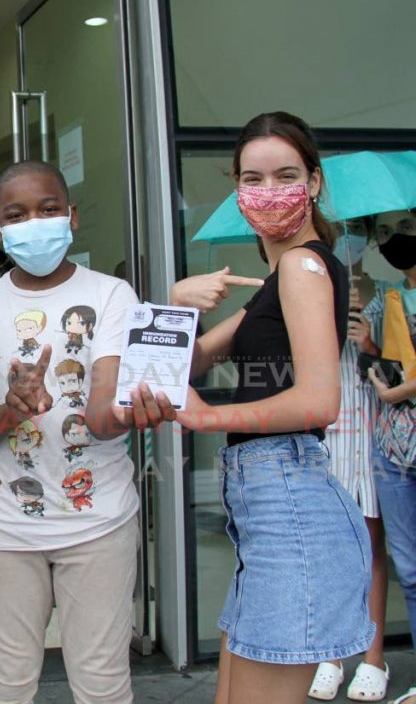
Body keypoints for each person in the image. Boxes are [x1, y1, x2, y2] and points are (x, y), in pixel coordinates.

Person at [0, 159, 169, 703]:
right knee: (6, 683)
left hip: (99, 524)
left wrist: (137, 410)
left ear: (71, 216)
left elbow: (101, 419)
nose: (34, 222)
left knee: (101, 683)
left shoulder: (113, 296)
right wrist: (10, 412)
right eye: (16, 214)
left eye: (48, 209)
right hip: (0, 530)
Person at [168, 112, 372, 704]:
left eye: (285, 174)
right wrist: (179, 307)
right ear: (237, 188)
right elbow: (188, 363)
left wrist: (206, 417)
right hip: (268, 512)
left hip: (292, 510)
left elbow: (318, 399)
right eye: (252, 179)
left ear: (312, 183)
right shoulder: (275, 280)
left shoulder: (303, 266)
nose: (267, 191)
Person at [308, 216, 390, 702]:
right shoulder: (312, 292)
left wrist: (369, 341)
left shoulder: (383, 296)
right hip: (325, 431)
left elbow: (399, 365)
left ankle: (374, 657)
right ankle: (332, 654)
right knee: (330, 550)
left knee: (369, 541)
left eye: (361, 232)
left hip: (370, 430)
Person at [361, 209, 416, 704]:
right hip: (394, 448)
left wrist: (398, 392)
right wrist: (367, 343)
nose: (397, 242)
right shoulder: (388, 297)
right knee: (412, 569)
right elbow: (383, 361)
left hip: (401, 422)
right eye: (386, 234)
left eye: (406, 230)